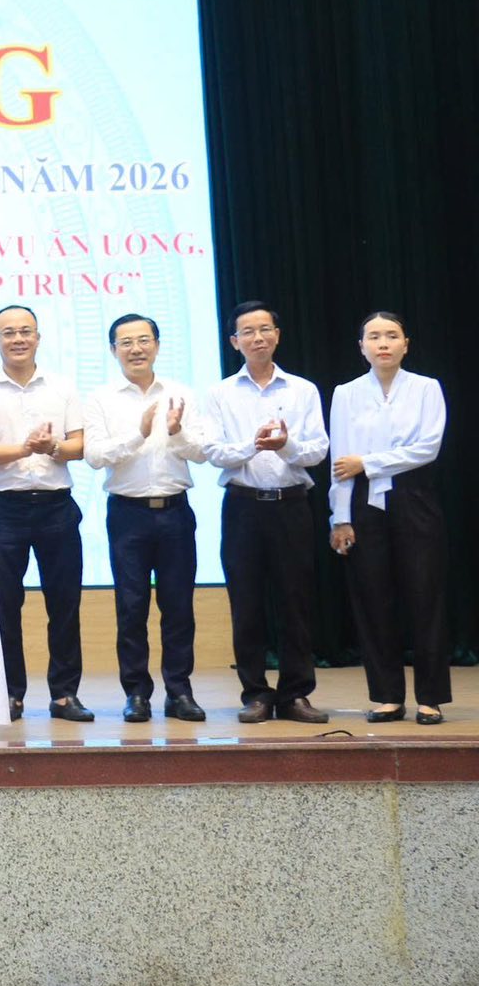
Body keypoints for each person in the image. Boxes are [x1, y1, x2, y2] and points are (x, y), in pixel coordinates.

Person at [200, 301, 330, 725]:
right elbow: (213, 451)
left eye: (265, 329)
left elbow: (318, 450)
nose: (258, 338)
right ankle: (255, 693)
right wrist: (252, 445)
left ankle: (295, 694)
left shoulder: (302, 390)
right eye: (248, 332)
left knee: (296, 603)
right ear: (234, 342)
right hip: (243, 507)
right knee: (247, 603)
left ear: (277, 335)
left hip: (292, 506)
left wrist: (286, 446)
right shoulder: (220, 393)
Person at [0, 306, 91, 723]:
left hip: (57, 506)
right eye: (8, 333)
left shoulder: (62, 387)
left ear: (38, 337)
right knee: (3, 605)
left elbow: (79, 446)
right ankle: (9, 694)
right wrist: (24, 449)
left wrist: (51, 447)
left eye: (25, 331)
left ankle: (65, 695)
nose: (17, 339)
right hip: (5, 510)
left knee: (65, 603)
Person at [82, 313, 210, 724]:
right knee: (131, 607)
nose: (136, 349)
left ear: (157, 344)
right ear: (113, 350)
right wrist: (138, 433)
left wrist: (175, 431)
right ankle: (136, 693)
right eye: (126, 342)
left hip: (175, 512)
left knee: (179, 606)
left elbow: (202, 452)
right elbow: (94, 456)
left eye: (143, 340)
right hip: (127, 515)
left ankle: (180, 691)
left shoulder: (181, 393)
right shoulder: (101, 398)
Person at [329, 311, 449, 725]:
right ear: (361, 346)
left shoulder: (426, 388)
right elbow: (340, 461)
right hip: (363, 500)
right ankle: (387, 696)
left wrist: (369, 462)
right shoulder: (346, 393)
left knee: (425, 597)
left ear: (405, 344)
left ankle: (431, 698)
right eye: (374, 336)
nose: (383, 343)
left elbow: (427, 448)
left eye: (392, 336)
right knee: (372, 598)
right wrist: (339, 517)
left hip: (415, 496)